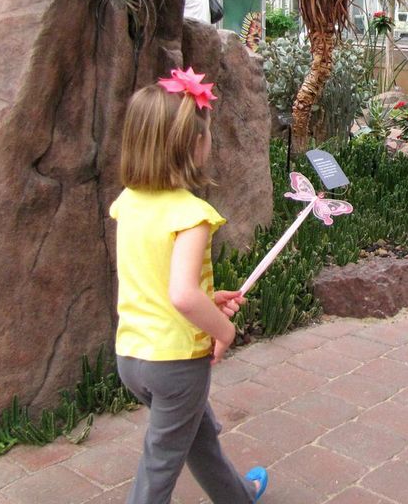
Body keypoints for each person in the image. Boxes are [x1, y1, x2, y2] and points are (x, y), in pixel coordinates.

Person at [111, 67, 268, 504]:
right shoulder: (191, 214)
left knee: (196, 438)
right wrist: (225, 330)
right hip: (175, 363)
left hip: (133, 356)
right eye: (206, 133)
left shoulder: (128, 203)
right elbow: (182, 295)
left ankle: (238, 495)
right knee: (160, 463)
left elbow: (157, 278)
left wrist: (209, 299)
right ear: (192, 146)